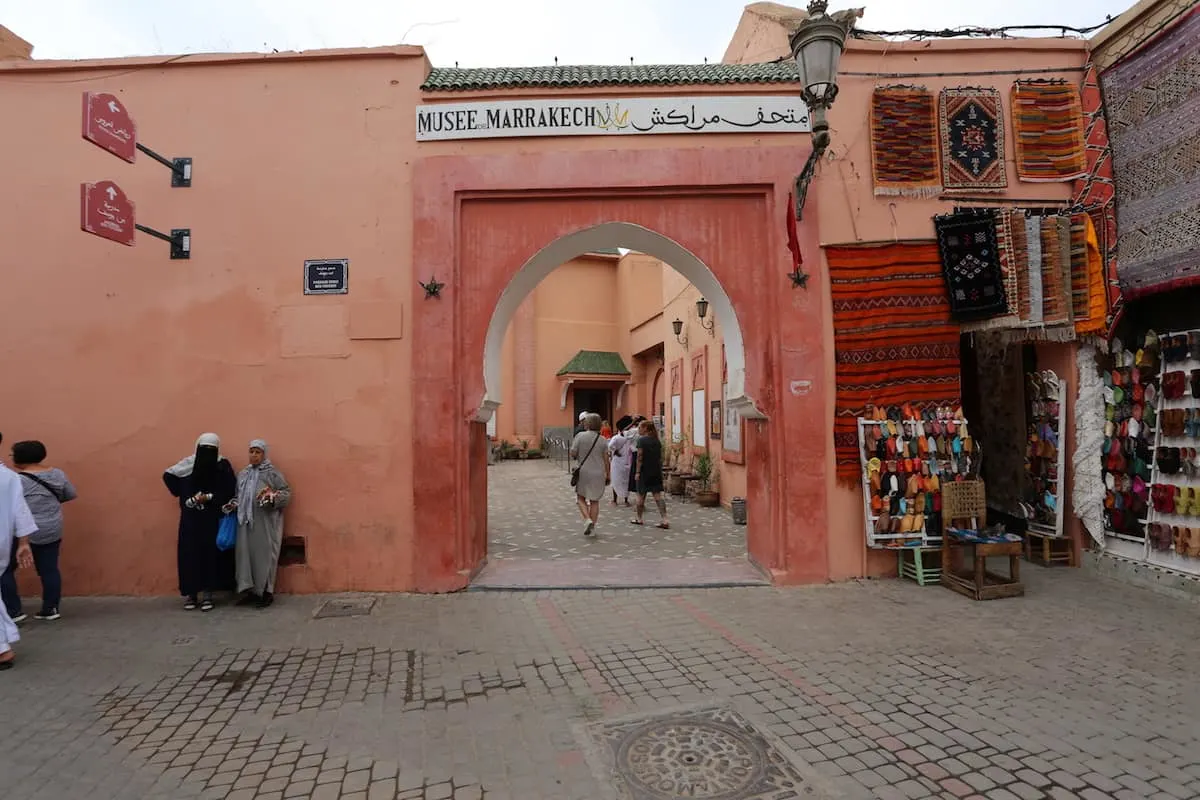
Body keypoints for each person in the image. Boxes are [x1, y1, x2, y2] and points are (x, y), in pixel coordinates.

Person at [0, 441, 77, 622]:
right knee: (49, 569)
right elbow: (70, 494)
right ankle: (50, 608)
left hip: (22, 531)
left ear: (21, 458)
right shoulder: (57, 474)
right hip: (51, 528)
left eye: (12, 455)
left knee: (6, 569)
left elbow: (11, 505)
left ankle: (13, 611)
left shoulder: (16, 480)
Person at [163, 433, 237, 611]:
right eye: (204, 449)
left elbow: (229, 489)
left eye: (211, 450)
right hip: (190, 520)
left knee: (210, 556)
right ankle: (191, 594)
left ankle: (208, 594)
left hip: (212, 519)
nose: (207, 454)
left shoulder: (222, 465)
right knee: (189, 555)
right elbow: (169, 476)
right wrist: (184, 495)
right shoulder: (187, 465)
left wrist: (210, 497)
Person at [226, 439, 292, 609]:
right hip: (245, 523)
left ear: (264, 454)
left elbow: (285, 493)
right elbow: (239, 495)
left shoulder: (272, 474)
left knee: (264, 556)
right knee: (246, 557)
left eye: (258, 452)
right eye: (251, 452)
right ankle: (250, 590)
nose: (254, 455)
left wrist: (271, 498)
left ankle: (266, 591)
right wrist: (233, 504)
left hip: (265, 522)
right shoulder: (243, 475)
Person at [0, 432, 37, 671]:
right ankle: (3, 648)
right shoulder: (8, 477)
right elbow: (20, 510)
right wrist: (23, 542)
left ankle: (3, 648)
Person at [569, 413, 610, 536]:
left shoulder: (580, 436)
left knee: (580, 497)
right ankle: (592, 525)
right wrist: (608, 474)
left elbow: (573, 453)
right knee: (595, 500)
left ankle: (587, 519)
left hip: (584, 472)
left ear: (587, 424)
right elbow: (606, 459)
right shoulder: (602, 440)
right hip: (598, 473)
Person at [631, 420, 670, 529]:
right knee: (657, 495)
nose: (638, 430)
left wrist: (637, 472)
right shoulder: (657, 441)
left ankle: (639, 518)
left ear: (645, 429)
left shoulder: (641, 441)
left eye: (640, 427)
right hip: (655, 470)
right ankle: (665, 519)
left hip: (644, 471)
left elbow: (639, 457)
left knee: (640, 495)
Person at [608, 416, 635, 507]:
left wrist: (615, 451)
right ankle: (621, 500)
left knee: (619, 480)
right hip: (625, 461)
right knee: (622, 480)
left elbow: (610, 447)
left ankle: (618, 500)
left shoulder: (618, 438)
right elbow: (610, 447)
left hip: (619, 461)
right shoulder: (627, 437)